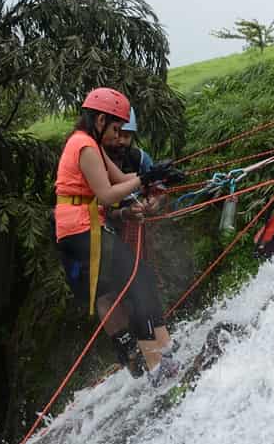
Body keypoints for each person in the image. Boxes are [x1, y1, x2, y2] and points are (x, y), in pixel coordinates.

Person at [53, 87, 184, 386]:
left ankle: (163, 353)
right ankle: (157, 364)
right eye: (115, 128)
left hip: (81, 229)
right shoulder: (84, 146)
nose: (118, 136)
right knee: (137, 283)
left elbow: (123, 179)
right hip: (81, 229)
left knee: (139, 282)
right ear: (100, 120)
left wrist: (159, 177)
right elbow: (107, 193)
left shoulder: (90, 144)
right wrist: (144, 179)